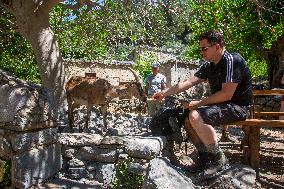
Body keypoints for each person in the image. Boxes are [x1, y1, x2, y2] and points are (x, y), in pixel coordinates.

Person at [153, 30, 253, 179]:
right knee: (187, 119)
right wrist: (164, 93)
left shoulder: (232, 60)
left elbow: (226, 94)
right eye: (201, 48)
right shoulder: (209, 65)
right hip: (220, 106)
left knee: (195, 115)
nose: (201, 52)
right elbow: (187, 82)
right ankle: (205, 160)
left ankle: (219, 160)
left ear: (217, 46)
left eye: (204, 48)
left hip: (238, 107)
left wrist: (197, 103)